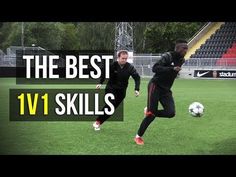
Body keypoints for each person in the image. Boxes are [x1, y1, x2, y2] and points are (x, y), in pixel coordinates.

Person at [134, 39, 188, 145]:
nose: (186, 50)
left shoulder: (182, 60)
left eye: (187, 48)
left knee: (171, 113)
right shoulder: (167, 56)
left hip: (166, 90)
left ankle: (150, 111)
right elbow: (155, 68)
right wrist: (171, 69)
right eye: (184, 48)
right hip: (155, 86)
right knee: (151, 115)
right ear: (177, 48)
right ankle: (138, 137)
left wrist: (173, 70)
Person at [93, 50, 140, 130]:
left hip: (121, 92)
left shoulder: (130, 67)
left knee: (111, 110)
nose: (124, 60)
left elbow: (137, 78)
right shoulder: (113, 65)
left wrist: (136, 89)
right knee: (110, 104)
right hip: (111, 88)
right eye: (123, 58)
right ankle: (98, 121)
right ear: (118, 58)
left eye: (126, 58)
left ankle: (99, 122)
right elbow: (104, 74)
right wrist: (100, 83)